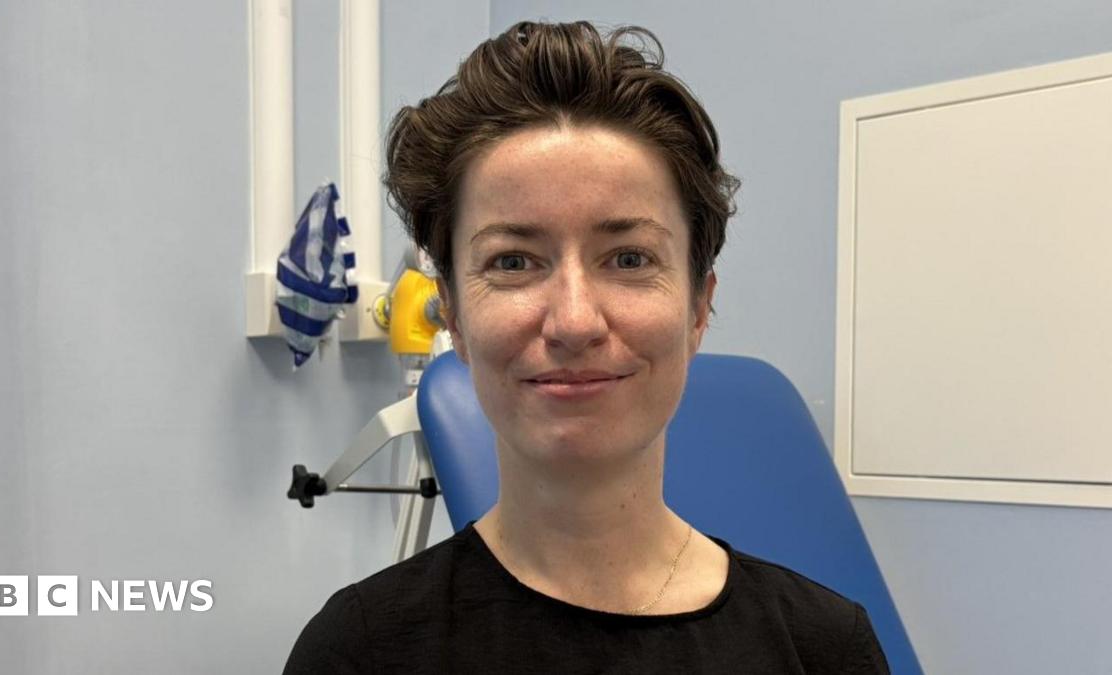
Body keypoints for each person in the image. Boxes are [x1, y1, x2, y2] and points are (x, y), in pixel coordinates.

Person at [284, 20, 889, 674]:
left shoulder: (826, 647)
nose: (573, 320)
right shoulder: (361, 651)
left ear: (698, 306)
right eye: (513, 261)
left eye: (628, 257)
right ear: (453, 313)